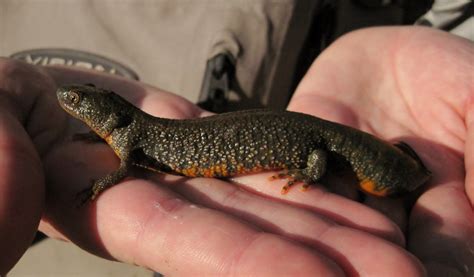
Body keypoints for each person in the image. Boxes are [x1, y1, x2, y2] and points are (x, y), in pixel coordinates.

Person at [0, 26, 473, 276]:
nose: (72, 102)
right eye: (77, 100)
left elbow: (124, 170)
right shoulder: (125, 130)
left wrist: (101, 183)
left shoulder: (128, 137)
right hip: (275, 130)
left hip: (304, 139)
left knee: (328, 157)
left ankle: (398, 170)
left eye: (81, 101)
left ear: (108, 114)